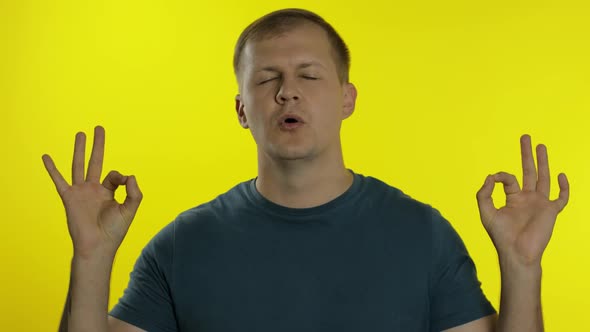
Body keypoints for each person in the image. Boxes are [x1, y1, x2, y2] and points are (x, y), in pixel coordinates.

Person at [43, 8, 570, 332]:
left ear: (347, 99)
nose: (287, 90)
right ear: (242, 110)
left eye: (308, 75)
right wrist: (91, 256)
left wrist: (522, 267)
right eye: (267, 77)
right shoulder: (184, 243)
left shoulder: (421, 233)